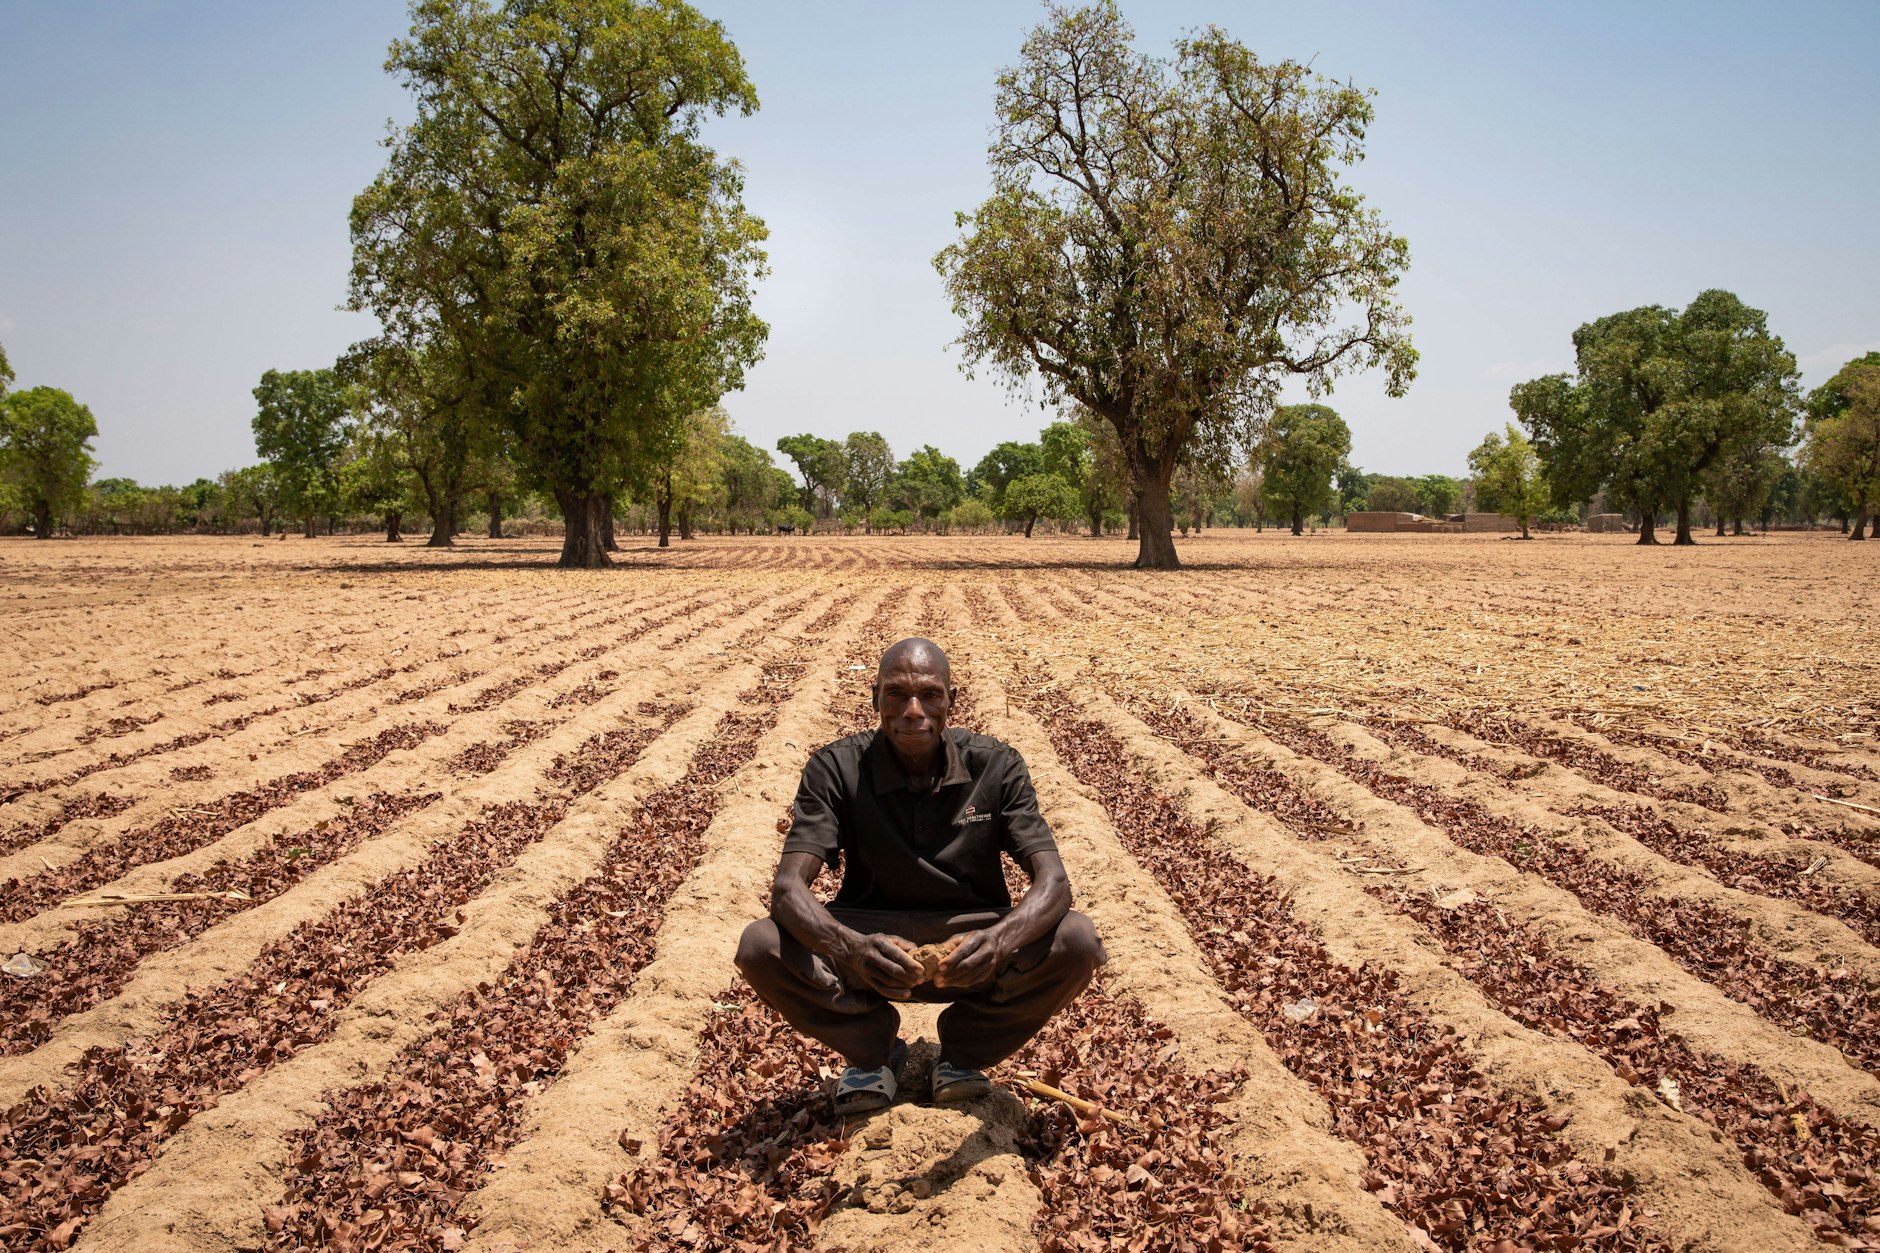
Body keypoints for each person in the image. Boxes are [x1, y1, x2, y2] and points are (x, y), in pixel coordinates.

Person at [735, 637, 1106, 1114]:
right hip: (870, 937)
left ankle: (962, 1055)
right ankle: (873, 1050)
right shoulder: (836, 768)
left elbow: (1053, 882)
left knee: (1078, 940)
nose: (914, 710)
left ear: (952, 699)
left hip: (970, 937)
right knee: (760, 946)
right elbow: (787, 889)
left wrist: (998, 940)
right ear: (875, 699)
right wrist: (851, 946)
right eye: (896, 694)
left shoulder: (995, 765)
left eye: (930, 694)